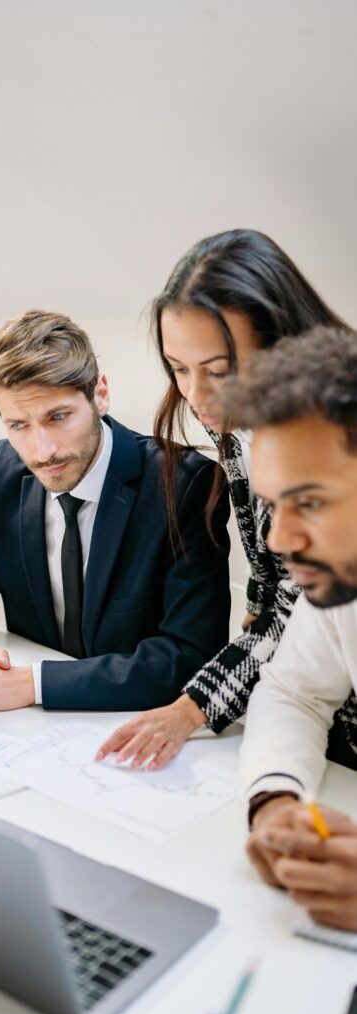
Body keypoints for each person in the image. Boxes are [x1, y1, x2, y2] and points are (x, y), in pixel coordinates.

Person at [97, 229, 357, 771]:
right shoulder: (235, 423)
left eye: (218, 371)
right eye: (178, 369)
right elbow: (277, 580)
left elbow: (297, 601)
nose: (195, 395)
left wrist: (192, 708)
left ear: (281, 344)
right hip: (307, 708)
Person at [0, 309, 231, 713]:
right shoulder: (4, 469)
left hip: (131, 727)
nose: (42, 452)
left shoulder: (185, 485)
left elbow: (189, 658)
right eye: (18, 426)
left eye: (57, 417)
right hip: (21, 732)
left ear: (100, 393)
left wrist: (35, 685)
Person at [218, 326, 357, 931]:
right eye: (277, 504)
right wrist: (275, 801)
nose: (278, 541)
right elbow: (295, 690)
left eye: (312, 502)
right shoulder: (338, 583)